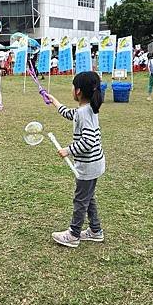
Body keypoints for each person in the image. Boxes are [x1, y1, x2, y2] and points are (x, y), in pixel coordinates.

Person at [46, 71, 105, 248]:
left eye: (72, 86)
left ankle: (73, 234)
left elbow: (89, 140)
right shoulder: (87, 109)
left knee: (81, 200)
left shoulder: (85, 113)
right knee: (88, 197)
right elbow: (70, 114)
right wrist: (54, 101)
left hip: (88, 165)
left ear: (78, 91)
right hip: (94, 163)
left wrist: (68, 150)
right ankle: (95, 230)